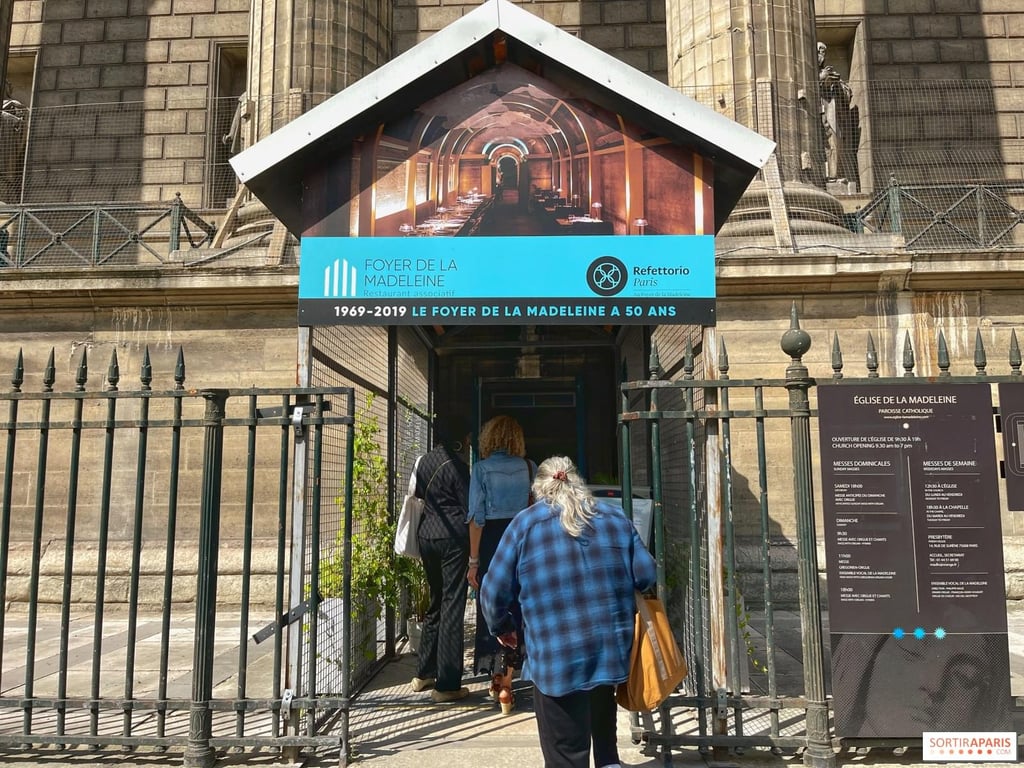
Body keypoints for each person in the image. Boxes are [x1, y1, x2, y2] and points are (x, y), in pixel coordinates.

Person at [480, 456, 657, 768]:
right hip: (608, 650)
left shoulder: (524, 525)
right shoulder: (615, 519)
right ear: (578, 484)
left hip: (555, 656)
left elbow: (492, 592)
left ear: (537, 492)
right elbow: (645, 574)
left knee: (566, 754)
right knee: (604, 733)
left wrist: (502, 627)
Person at [466, 415, 536, 709]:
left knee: (491, 606)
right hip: (521, 541)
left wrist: (473, 561)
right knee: (517, 608)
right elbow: (535, 511)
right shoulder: (530, 468)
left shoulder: (480, 470)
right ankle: (508, 682)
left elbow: (476, 518)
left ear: (488, 439)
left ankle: (494, 674)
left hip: (492, 541)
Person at [409, 425, 472, 703]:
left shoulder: (423, 462)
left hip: (426, 536)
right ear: (459, 442)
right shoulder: (458, 467)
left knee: (435, 601)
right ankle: (447, 684)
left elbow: (418, 496)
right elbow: (470, 506)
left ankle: (424, 672)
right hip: (453, 539)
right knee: (452, 604)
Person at [817, 41, 853, 181]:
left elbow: (847, 94)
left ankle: (834, 175)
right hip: (814, 115)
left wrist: (836, 83)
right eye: (819, 50)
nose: (822, 54)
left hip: (830, 112)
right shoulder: (806, 71)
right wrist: (821, 77)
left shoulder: (830, 72)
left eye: (823, 51)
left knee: (833, 141)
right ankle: (822, 176)